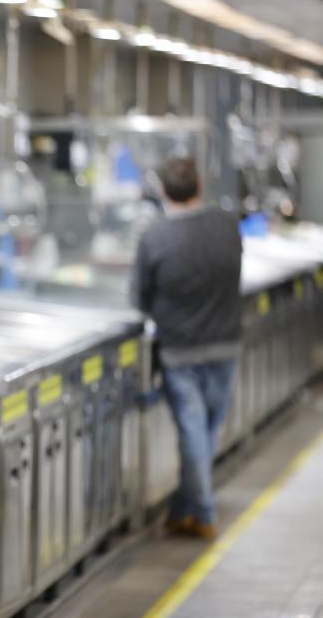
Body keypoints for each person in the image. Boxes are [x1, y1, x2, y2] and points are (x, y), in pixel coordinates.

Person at [132, 157, 242, 539]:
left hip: (179, 350)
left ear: (163, 190)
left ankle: (202, 511)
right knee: (205, 431)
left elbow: (140, 296)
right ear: (200, 187)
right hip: (225, 343)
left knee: (194, 433)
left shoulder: (154, 236)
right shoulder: (227, 226)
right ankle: (184, 509)